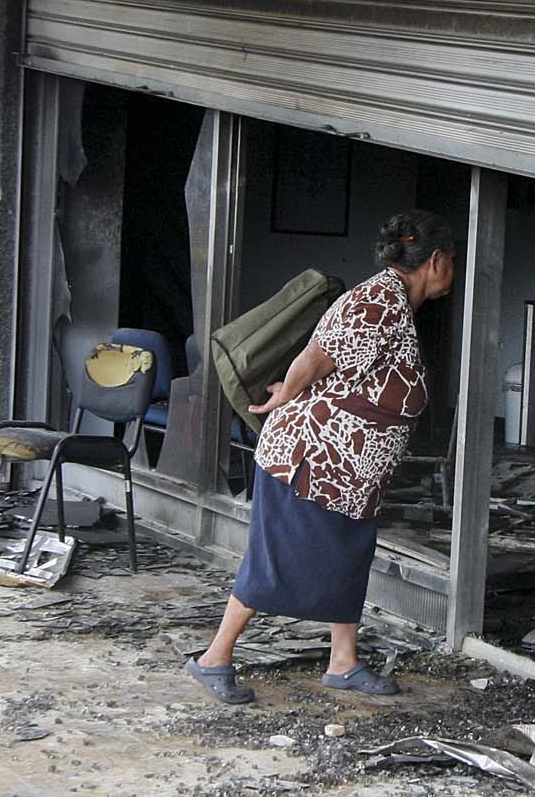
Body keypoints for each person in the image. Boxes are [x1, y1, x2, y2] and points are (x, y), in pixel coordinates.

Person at [186, 210, 457, 704]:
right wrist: (280, 396)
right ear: (435, 260)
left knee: (348, 560)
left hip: (350, 474)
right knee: (275, 561)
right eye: (453, 260)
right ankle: (214, 657)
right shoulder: (378, 301)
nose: (453, 270)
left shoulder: (395, 303)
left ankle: (344, 661)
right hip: (310, 461)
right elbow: (316, 356)